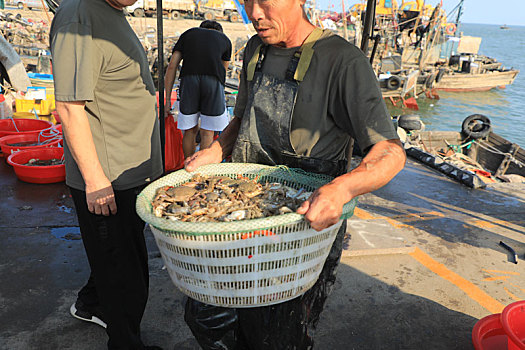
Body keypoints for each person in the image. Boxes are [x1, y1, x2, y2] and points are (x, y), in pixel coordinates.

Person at [182, 0, 407, 348]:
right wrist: (216, 150)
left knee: (277, 335)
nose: (254, 13)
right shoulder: (256, 49)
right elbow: (241, 119)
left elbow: (390, 152)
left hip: (299, 233)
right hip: (243, 214)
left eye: (265, 1)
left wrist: (343, 188)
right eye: (247, 0)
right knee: (206, 317)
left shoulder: (342, 61)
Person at [49, 0, 163, 348]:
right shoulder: (80, 14)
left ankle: (92, 303)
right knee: (128, 276)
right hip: (109, 179)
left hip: (129, 170)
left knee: (113, 258)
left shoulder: (109, 11)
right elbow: (69, 106)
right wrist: (97, 181)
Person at [164, 20, 232, 159]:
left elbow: (172, 66)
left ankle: (188, 166)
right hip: (213, 81)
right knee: (208, 132)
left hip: (189, 80)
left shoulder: (189, 34)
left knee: (190, 131)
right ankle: (202, 171)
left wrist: (166, 103)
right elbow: (223, 72)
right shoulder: (225, 40)